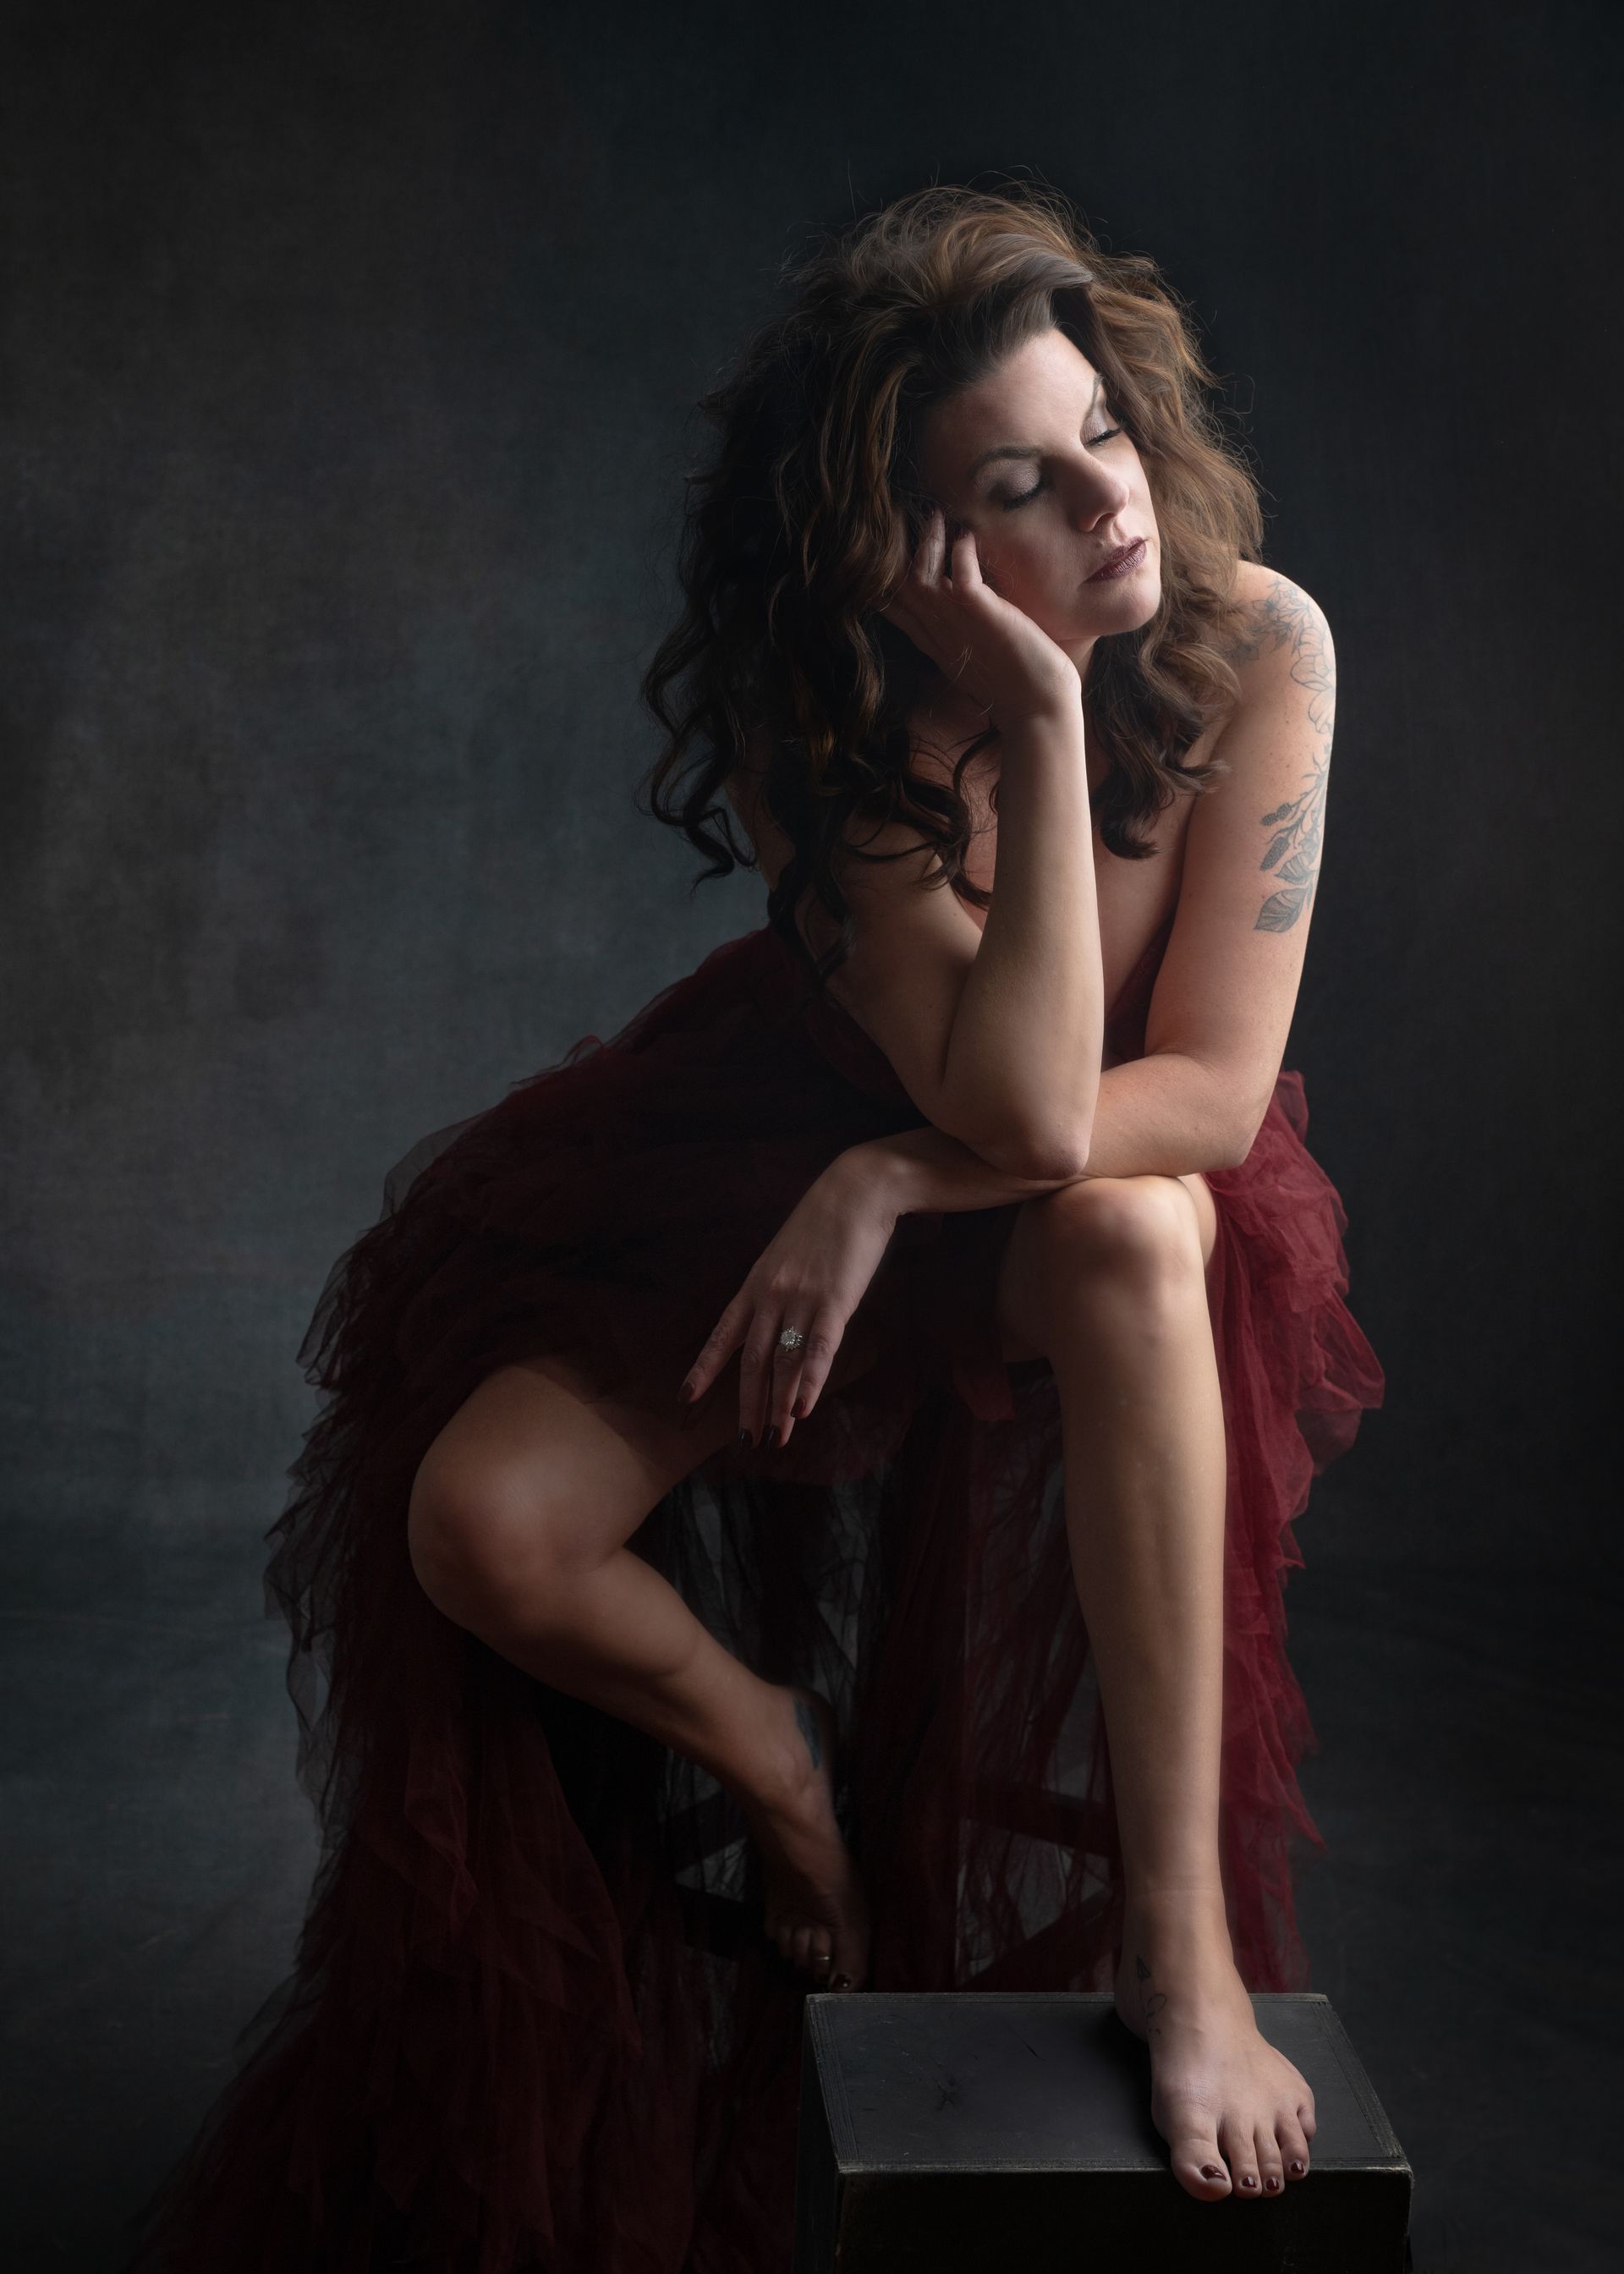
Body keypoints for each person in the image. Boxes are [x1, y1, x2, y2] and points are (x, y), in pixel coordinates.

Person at [123, 181, 1385, 2272]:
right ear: (909, 562)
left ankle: (1187, 1967)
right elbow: (1008, 1086)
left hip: (979, 1181)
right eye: (1022, 485)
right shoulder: (828, 725)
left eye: (1105, 436)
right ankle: (774, 1755)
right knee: (483, 1523)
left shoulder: (1263, 643)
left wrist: (888, 1179)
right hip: (783, 1133)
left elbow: (1189, 1108)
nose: (1109, 502)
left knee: (1145, 1236)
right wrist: (1036, 715)